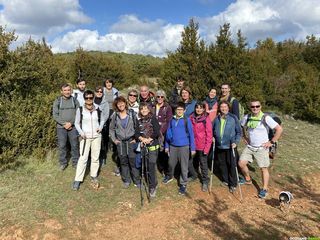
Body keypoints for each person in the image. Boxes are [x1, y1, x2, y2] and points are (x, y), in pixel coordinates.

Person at [238, 100, 283, 198]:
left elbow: (279, 129)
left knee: (263, 169)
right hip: (250, 147)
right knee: (241, 163)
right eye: (253, 106)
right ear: (250, 107)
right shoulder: (247, 117)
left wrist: (271, 142)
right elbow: (240, 126)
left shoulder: (265, 118)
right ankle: (248, 179)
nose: (255, 108)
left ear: (260, 107)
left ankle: (264, 189)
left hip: (262, 148)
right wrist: (244, 137)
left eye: (257, 106)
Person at [72, 90, 106, 190]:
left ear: (93, 98)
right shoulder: (80, 109)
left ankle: (93, 175)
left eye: (90, 98)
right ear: (84, 98)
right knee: (83, 158)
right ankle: (78, 179)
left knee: (95, 157)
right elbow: (76, 123)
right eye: (87, 98)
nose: (89, 100)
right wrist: (81, 133)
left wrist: (100, 127)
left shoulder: (98, 108)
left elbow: (103, 119)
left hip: (96, 136)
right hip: (85, 137)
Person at [163, 102, 196, 195]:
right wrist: (166, 146)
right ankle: (169, 176)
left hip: (184, 147)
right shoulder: (172, 120)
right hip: (173, 146)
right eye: (178, 109)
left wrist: (192, 148)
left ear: (184, 110)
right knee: (170, 163)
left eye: (181, 109)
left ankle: (183, 184)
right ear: (175, 110)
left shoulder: (187, 120)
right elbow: (168, 134)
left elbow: (191, 135)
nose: (179, 111)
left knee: (183, 166)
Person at [109, 96, 140, 188]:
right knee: (123, 162)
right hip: (121, 143)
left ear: (125, 103)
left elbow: (137, 127)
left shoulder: (132, 114)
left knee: (133, 162)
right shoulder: (115, 115)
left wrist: (136, 138)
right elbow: (111, 129)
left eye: (122, 103)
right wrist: (114, 140)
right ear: (116, 105)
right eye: (118, 104)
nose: (121, 105)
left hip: (131, 142)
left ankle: (137, 181)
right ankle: (126, 180)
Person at [213, 101, 241, 193]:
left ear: (228, 108)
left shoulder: (233, 118)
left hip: (230, 146)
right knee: (222, 164)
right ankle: (225, 180)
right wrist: (213, 137)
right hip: (219, 146)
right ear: (219, 108)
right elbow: (212, 130)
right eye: (221, 107)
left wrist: (236, 142)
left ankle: (233, 184)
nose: (223, 108)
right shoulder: (216, 118)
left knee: (232, 165)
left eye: (225, 107)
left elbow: (239, 132)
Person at [52, 83, 80, 170]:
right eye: (65, 90)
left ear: (71, 91)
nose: (67, 92)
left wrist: (71, 123)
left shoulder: (74, 100)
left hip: (73, 127)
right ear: (61, 91)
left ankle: (75, 163)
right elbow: (55, 115)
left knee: (75, 145)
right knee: (62, 145)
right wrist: (64, 124)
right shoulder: (58, 101)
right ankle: (63, 163)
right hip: (61, 128)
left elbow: (78, 113)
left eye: (68, 90)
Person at [136, 102, 161, 197]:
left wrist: (149, 139)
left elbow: (157, 131)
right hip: (144, 146)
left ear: (149, 109)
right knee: (145, 165)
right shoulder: (139, 121)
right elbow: (137, 133)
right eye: (142, 109)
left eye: (145, 108)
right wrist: (142, 139)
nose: (144, 110)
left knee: (151, 166)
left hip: (152, 146)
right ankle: (150, 181)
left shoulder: (153, 119)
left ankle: (152, 186)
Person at [189, 101, 213, 192]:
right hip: (193, 144)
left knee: (203, 164)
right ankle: (194, 175)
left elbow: (209, 134)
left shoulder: (206, 118)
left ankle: (205, 181)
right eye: (197, 107)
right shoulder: (191, 117)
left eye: (201, 108)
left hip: (202, 145)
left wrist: (207, 148)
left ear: (204, 109)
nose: (198, 109)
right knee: (190, 162)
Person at [153, 90, 173, 175]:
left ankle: (165, 169)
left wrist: (161, 131)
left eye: (162, 97)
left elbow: (169, 121)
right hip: (153, 132)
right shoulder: (152, 106)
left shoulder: (167, 107)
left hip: (163, 133)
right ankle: (157, 167)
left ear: (164, 98)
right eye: (158, 96)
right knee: (154, 151)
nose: (160, 98)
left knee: (163, 151)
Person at [103, 77, 120, 175]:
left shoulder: (116, 91)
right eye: (107, 83)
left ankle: (114, 147)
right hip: (105, 112)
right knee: (105, 133)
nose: (108, 84)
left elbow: (118, 102)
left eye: (110, 83)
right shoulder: (102, 91)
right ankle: (104, 151)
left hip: (113, 112)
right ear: (105, 84)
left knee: (114, 131)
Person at [94, 86, 110, 166]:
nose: (99, 93)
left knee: (103, 142)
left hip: (103, 125)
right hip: (93, 125)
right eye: (97, 91)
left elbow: (106, 114)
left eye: (101, 91)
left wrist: (101, 124)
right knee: (93, 142)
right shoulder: (91, 101)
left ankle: (103, 157)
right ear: (95, 92)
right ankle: (93, 158)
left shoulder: (105, 102)